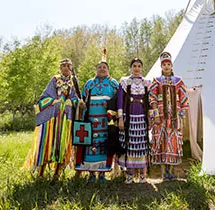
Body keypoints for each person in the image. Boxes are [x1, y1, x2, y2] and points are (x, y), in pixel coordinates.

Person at [25, 58, 83, 182]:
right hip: (51, 118)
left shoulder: (74, 82)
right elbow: (44, 97)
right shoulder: (55, 79)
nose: (66, 68)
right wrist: (54, 101)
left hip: (66, 119)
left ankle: (57, 173)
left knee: (62, 145)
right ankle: (40, 173)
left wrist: (71, 102)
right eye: (63, 66)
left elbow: (77, 99)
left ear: (71, 67)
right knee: (47, 143)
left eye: (68, 65)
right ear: (60, 68)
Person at [74, 50, 119, 183]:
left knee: (105, 145)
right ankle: (91, 173)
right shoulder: (89, 83)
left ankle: (102, 174)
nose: (102, 69)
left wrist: (110, 104)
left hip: (106, 122)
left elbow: (119, 100)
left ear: (108, 70)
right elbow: (81, 98)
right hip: (91, 121)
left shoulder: (113, 83)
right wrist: (81, 104)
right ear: (96, 70)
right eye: (99, 67)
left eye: (104, 67)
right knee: (90, 145)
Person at [149, 51, 189, 181]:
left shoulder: (178, 81)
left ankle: (171, 172)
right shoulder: (156, 81)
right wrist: (155, 114)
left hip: (174, 118)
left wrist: (182, 115)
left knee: (173, 143)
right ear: (161, 66)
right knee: (161, 142)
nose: (166, 66)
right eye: (164, 64)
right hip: (160, 117)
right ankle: (163, 173)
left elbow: (184, 99)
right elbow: (152, 98)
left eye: (168, 64)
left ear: (172, 66)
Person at [117, 58, 151, 184]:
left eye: (139, 66)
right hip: (128, 118)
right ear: (131, 68)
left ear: (142, 68)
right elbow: (120, 101)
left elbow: (149, 103)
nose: (137, 68)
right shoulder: (125, 82)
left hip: (142, 118)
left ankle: (143, 175)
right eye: (134, 66)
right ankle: (130, 174)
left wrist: (150, 118)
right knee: (129, 145)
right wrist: (120, 118)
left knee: (142, 145)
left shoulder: (147, 83)